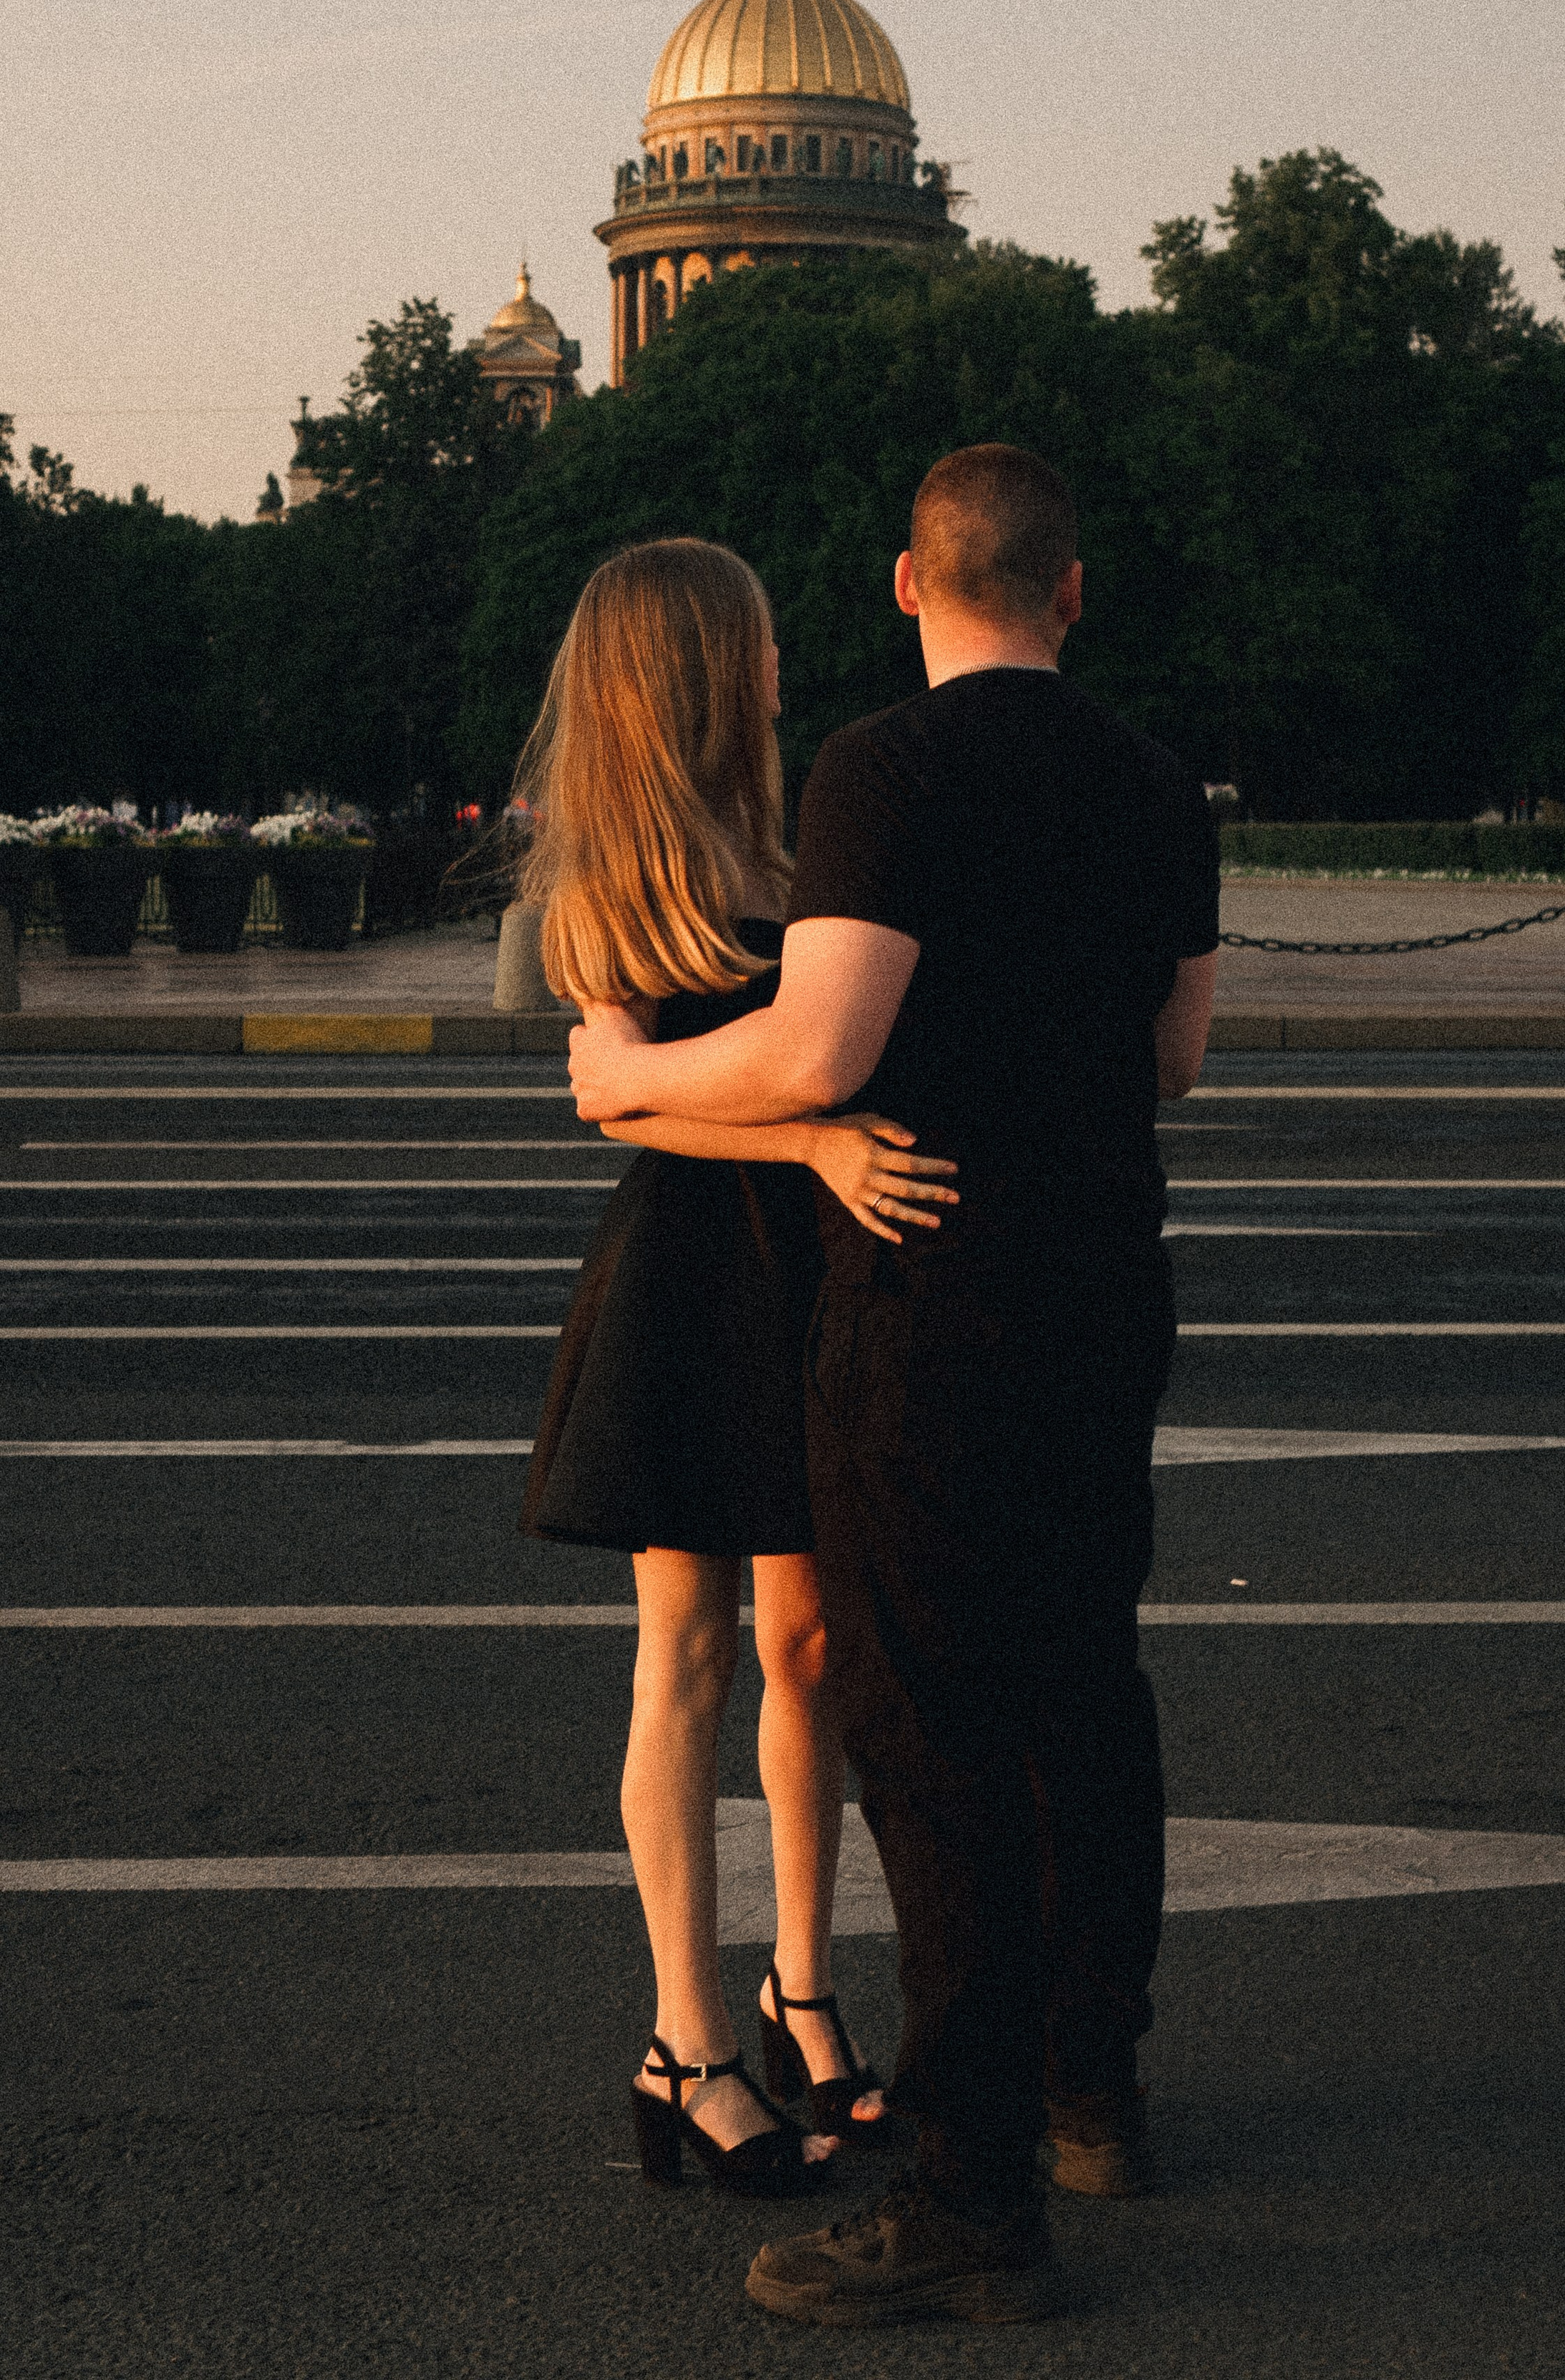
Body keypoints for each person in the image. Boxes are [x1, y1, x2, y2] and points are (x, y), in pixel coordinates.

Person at [566, 448, 1221, 2323]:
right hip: (1110, 1286)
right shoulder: (1157, 780)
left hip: (930, 1292)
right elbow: (1176, 1057)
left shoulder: (889, 770)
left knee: (927, 1736)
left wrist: (628, 1090)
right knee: (1089, 1686)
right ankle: (1097, 2086)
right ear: (1075, 591)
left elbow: (825, 1043)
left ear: (911, 584)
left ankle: (966, 2186)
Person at [515, 539, 959, 2200]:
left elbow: (637, 1087)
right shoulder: (603, 874)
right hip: (696, 1279)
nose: (782, 667)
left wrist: (813, 1140)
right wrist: (823, 1139)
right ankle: (684, 2043)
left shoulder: (786, 839)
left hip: (799, 1268)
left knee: (811, 1640)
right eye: (757, 643)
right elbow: (606, 1096)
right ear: (700, 667)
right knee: (684, 1655)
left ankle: (805, 1996)